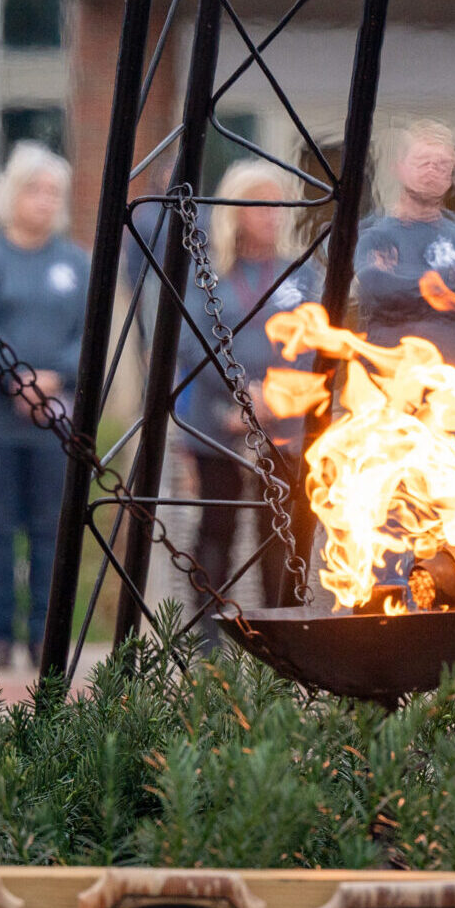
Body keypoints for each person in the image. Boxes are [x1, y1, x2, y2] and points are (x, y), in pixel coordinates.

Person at [0, 141, 86, 667]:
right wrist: (16, 379)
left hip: (55, 420)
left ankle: (43, 635)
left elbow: (90, 333)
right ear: (11, 194)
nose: (45, 200)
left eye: (55, 192)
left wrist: (56, 377)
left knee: (50, 527)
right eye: (35, 189)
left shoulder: (76, 262)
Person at [177, 161, 317, 609]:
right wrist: (241, 395)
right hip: (218, 422)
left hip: (286, 424)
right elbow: (193, 341)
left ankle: (282, 636)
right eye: (259, 205)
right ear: (234, 211)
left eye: (278, 205)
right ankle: (210, 642)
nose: (271, 214)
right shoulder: (206, 270)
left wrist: (275, 397)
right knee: (217, 528)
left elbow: (318, 340)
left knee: (281, 532)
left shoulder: (302, 272)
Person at [354, 120, 455, 368]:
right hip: (386, 379)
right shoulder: (373, 234)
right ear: (399, 168)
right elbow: (375, 286)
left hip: (450, 379)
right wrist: (446, 286)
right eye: (423, 162)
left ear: (453, 177)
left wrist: (404, 282)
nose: (432, 171)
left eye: (442, 165)